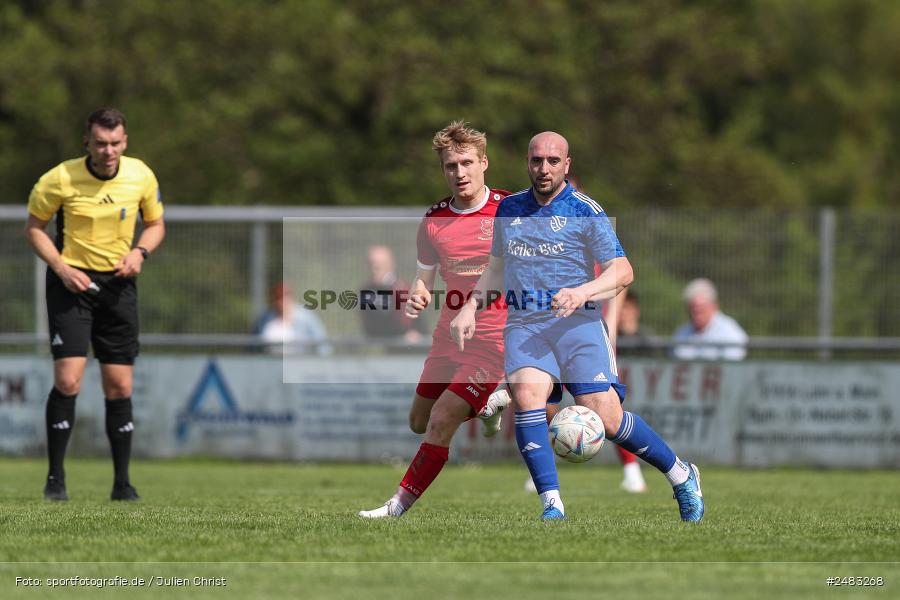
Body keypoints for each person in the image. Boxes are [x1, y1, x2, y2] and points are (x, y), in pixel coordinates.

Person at [451, 131, 704, 521]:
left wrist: (581, 291)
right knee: (528, 397)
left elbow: (623, 271)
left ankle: (681, 475)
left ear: (566, 165)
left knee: (607, 417)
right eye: (537, 160)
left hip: (578, 325)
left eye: (553, 161)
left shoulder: (585, 210)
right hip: (526, 325)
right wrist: (470, 307)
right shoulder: (510, 208)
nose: (544, 168)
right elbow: (497, 268)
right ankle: (552, 505)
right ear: (527, 162)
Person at [359, 121, 511, 518]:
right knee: (418, 420)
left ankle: (396, 506)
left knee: (442, 418)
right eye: (450, 166)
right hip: (448, 337)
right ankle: (486, 406)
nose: (459, 173)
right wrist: (419, 295)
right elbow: (423, 279)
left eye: (467, 163)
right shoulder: (434, 220)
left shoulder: (510, 210)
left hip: (494, 340)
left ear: (484, 163)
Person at [25, 108, 165, 502]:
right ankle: (56, 480)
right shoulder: (59, 178)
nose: (108, 151)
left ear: (125, 141)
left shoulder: (141, 175)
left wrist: (139, 253)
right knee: (69, 379)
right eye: (101, 143)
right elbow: (34, 229)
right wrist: (61, 268)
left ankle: (122, 484)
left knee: (119, 385)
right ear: (86, 141)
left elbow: (156, 226)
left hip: (118, 286)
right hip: (71, 284)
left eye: (115, 143)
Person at [358, 245, 427, 344]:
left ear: (390, 265)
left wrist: (413, 332)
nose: (374, 269)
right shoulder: (366, 291)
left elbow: (414, 323)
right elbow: (369, 325)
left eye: (379, 266)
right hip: (381, 345)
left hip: (408, 346)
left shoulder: (402, 288)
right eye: (371, 264)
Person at [673, 278, 748, 361]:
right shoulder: (682, 333)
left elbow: (732, 364)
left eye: (701, 309)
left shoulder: (730, 332)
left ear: (715, 306)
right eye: (692, 309)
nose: (697, 314)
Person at [253, 281, 331, 355]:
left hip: (299, 362)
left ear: (291, 298)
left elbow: (323, 345)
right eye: (277, 298)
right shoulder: (265, 318)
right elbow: (253, 345)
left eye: (283, 298)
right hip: (269, 362)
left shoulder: (306, 317)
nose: (280, 303)